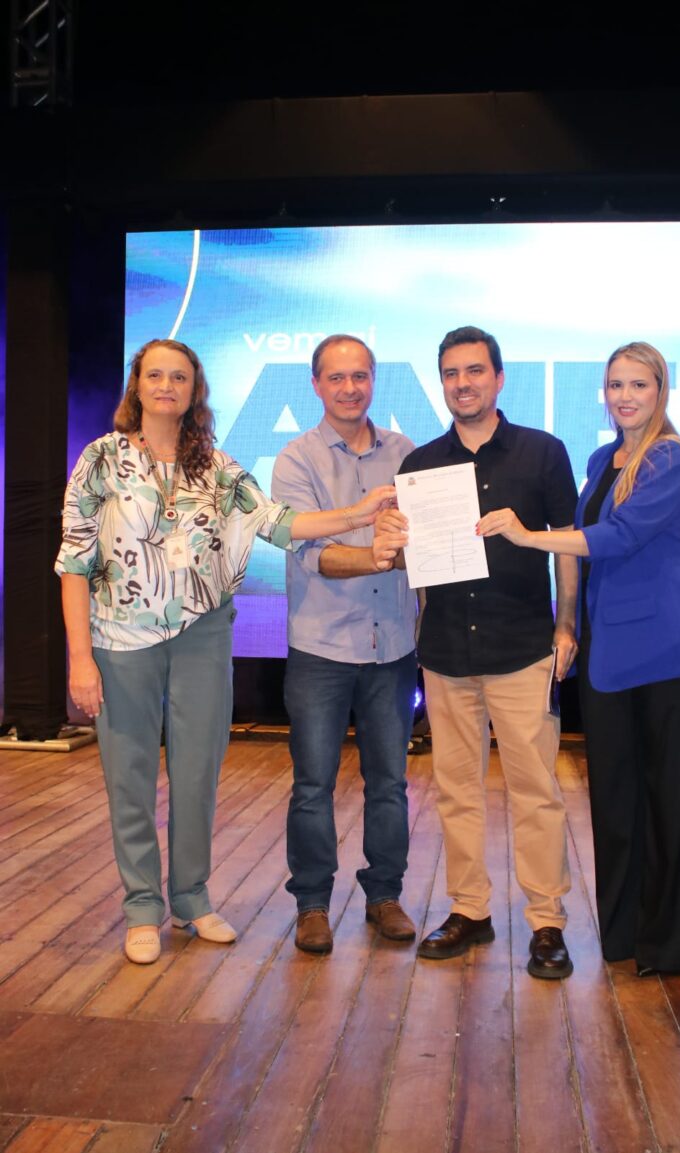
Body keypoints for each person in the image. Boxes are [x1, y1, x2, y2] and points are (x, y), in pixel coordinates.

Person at [56, 338, 396, 966]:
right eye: (155, 375)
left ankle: (191, 899)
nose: (166, 386)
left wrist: (358, 512)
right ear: (137, 385)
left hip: (204, 636)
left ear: (195, 391)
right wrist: (80, 658)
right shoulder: (100, 460)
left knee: (197, 774)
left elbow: (279, 523)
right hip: (120, 639)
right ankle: (142, 907)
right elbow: (74, 562)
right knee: (129, 775)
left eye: (179, 377)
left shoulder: (215, 466)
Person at [477, 341, 680, 975]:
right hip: (609, 653)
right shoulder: (601, 459)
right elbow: (590, 552)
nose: (625, 397)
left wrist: (528, 536)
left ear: (660, 390)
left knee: (670, 802)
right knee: (614, 799)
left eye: (639, 384)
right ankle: (624, 937)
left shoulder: (671, 457)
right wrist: (569, 624)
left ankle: (669, 948)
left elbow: (619, 537)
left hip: (668, 652)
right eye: (616, 385)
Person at [375, 325, 579, 978]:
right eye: (451, 373)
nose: (462, 383)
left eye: (474, 371)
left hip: (523, 646)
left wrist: (566, 625)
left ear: (498, 378)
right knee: (456, 791)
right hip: (445, 653)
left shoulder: (543, 452)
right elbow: (418, 566)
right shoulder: (420, 465)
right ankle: (470, 909)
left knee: (536, 791)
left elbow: (568, 544)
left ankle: (546, 921)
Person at [271, 334, 418, 955]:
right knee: (313, 785)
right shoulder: (295, 460)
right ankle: (312, 904)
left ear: (374, 380)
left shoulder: (408, 454)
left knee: (390, 783)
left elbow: (426, 542)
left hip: (394, 648)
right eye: (336, 377)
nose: (350, 388)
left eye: (360, 376)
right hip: (321, 650)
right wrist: (380, 555)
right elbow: (315, 556)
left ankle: (384, 896)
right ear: (316, 385)